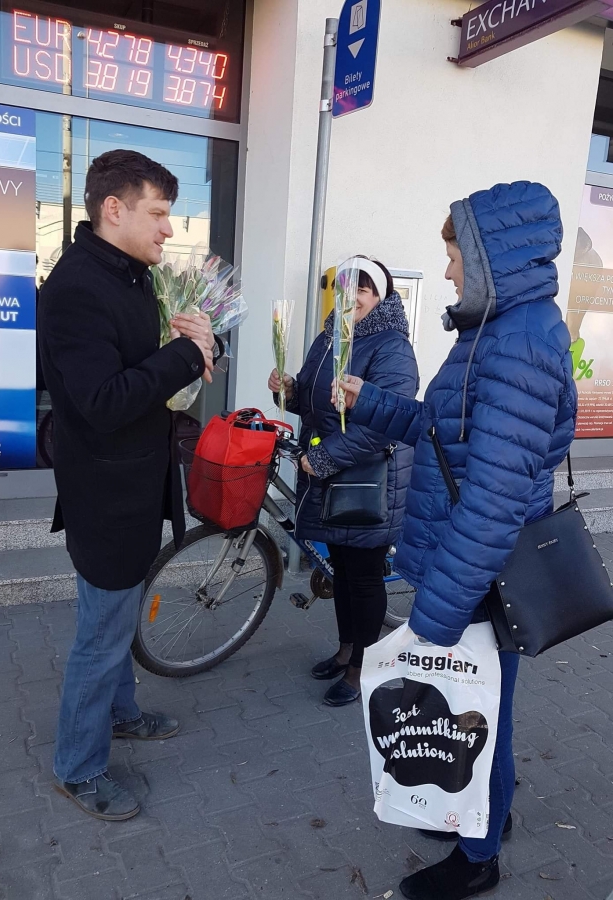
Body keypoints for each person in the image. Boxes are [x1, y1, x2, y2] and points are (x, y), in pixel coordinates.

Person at [338, 183, 577, 900]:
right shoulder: (493, 333)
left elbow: (493, 498)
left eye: (453, 256)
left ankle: (478, 858)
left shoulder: (519, 342)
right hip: (468, 567)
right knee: (482, 704)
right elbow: (442, 435)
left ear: (488, 256)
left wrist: (435, 615)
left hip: (480, 574)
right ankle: (482, 815)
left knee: (481, 710)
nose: (446, 271)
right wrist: (371, 401)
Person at [38, 149, 220, 822]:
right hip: (106, 497)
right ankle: (78, 767)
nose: (169, 228)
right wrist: (181, 356)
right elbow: (102, 402)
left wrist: (199, 343)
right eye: (159, 213)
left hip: (135, 486)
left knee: (112, 621)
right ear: (113, 209)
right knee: (100, 634)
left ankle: (119, 713)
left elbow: (147, 367)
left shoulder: (131, 277)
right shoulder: (77, 289)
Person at [268, 257, 418, 707]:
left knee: (364, 576)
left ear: (381, 296)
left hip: (369, 478)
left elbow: (384, 423)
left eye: (363, 290)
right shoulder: (330, 337)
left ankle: (361, 669)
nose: (352, 298)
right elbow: (317, 405)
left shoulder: (391, 346)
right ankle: (346, 650)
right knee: (341, 570)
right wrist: (288, 390)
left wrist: (323, 457)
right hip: (332, 473)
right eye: (345, 289)